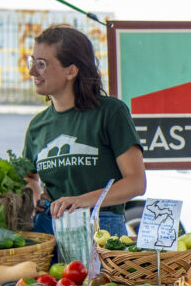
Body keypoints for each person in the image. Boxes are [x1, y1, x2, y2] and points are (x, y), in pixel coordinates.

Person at [23, 24, 145, 239]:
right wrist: (35, 199)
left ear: (71, 71)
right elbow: (29, 176)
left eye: (41, 64)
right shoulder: (37, 126)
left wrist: (81, 201)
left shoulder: (111, 112)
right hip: (48, 232)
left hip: (101, 230)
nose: (32, 71)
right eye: (32, 62)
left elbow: (136, 182)